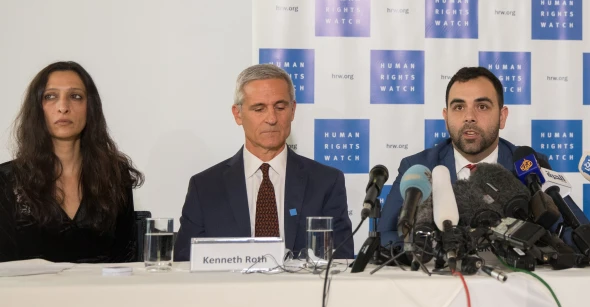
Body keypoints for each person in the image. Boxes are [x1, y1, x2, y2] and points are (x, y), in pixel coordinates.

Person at [378, 66, 588, 246]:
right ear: (446, 117)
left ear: (502, 116)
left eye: (482, 106)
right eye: (459, 107)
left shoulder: (528, 166)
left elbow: (579, 234)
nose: (469, 117)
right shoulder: (418, 167)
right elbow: (386, 237)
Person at [174, 65, 353, 261]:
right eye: (259, 109)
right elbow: (185, 263)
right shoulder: (205, 187)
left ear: (293, 110)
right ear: (238, 114)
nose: (272, 118)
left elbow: (340, 260)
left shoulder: (326, 182)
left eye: (280, 107)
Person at [0, 61, 143, 263]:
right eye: (50, 96)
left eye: (75, 96)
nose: (63, 107)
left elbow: (126, 260)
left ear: (90, 108)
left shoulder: (115, 176)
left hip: (101, 294)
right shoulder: (6, 180)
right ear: (37, 109)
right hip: (28, 295)